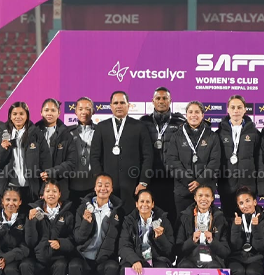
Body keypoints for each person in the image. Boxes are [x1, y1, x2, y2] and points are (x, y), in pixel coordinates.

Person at [69, 173, 122, 275]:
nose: (103, 188)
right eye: (100, 185)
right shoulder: (83, 208)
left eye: (107, 185)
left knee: (113, 267)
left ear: (112, 189)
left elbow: (119, 239)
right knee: (73, 265)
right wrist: (86, 223)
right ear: (95, 188)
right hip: (85, 258)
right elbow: (78, 238)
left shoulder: (117, 211)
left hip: (104, 259)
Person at [90, 91, 153, 202]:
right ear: (111, 106)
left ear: (128, 105)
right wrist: (100, 181)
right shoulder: (101, 127)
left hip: (133, 185)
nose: (119, 106)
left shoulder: (140, 126)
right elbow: (94, 156)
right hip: (107, 187)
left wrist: (143, 181)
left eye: (122, 103)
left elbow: (147, 156)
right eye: (116, 103)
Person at [26, 180, 75, 275]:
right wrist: (30, 222)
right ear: (42, 194)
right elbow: (30, 241)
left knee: (62, 265)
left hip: (56, 257)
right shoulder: (34, 212)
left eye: (54, 191)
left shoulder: (68, 215)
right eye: (48, 191)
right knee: (24, 265)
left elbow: (73, 240)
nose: (51, 194)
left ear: (59, 194)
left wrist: (61, 243)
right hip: (39, 257)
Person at [0, 102, 53, 208]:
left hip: (32, 189)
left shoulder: (37, 134)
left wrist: (43, 188)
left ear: (27, 116)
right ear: (10, 116)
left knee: (31, 217)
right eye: (15, 114)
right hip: (9, 188)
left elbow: (46, 162)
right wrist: (3, 149)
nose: (18, 117)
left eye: (21, 114)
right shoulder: (1, 136)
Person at [165, 101, 221, 217]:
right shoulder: (176, 136)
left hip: (205, 190)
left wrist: (199, 181)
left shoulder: (212, 136)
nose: (193, 115)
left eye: (197, 112)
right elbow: (172, 161)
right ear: (186, 115)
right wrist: (189, 181)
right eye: (190, 112)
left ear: (202, 115)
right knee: (182, 223)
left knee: (206, 223)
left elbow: (214, 162)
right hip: (183, 190)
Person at [140, 87, 185, 224]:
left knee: (172, 214)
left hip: (172, 179)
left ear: (170, 101)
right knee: (151, 213)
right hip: (151, 177)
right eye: (158, 98)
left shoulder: (180, 122)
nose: (161, 101)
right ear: (152, 101)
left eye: (165, 98)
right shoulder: (144, 122)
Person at [119, 190, 174, 275]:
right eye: (142, 201)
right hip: (136, 257)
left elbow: (170, 250)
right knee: (125, 269)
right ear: (137, 204)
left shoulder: (163, 220)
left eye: (148, 202)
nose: (144, 205)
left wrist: (160, 238)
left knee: (161, 269)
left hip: (156, 259)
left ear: (152, 204)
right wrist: (134, 260)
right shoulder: (128, 221)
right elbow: (123, 245)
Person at [217, 95, 263, 218]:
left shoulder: (254, 133)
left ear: (244, 110)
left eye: (239, 107)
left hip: (248, 186)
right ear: (228, 109)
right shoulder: (219, 133)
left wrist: (260, 185)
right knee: (228, 219)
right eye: (232, 107)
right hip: (227, 186)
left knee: (248, 220)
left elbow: (260, 161)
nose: (236, 110)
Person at [175, 184, 229, 269]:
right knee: (185, 266)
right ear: (195, 198)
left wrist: (212, 241)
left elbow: (225, 252)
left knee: (214, 267)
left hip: (212, 258)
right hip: (190, 257)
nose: (203, 199)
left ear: (212, 198)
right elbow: (178, 249)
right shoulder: (184, 217)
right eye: (200, 195)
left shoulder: (220, 218)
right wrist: (192, 241)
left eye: (207, 196)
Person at [36, 98, 78, 203]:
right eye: (46, 110)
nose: (49, 113)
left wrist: (52, 172)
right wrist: (39, 174)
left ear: (59, 113)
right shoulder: (32, 132)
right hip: (36, 186)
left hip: (60, 187)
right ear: (41, 112)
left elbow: (71, 162)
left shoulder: (66, 134)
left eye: (53, 110)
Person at [67, 97, 97, 207]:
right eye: (80, 109)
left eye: (87, 109)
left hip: (93, 186)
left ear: (93, 111)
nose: (84, 112)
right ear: (75, 111)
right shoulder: (67, 132)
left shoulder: (100, 131)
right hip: (71, 186)